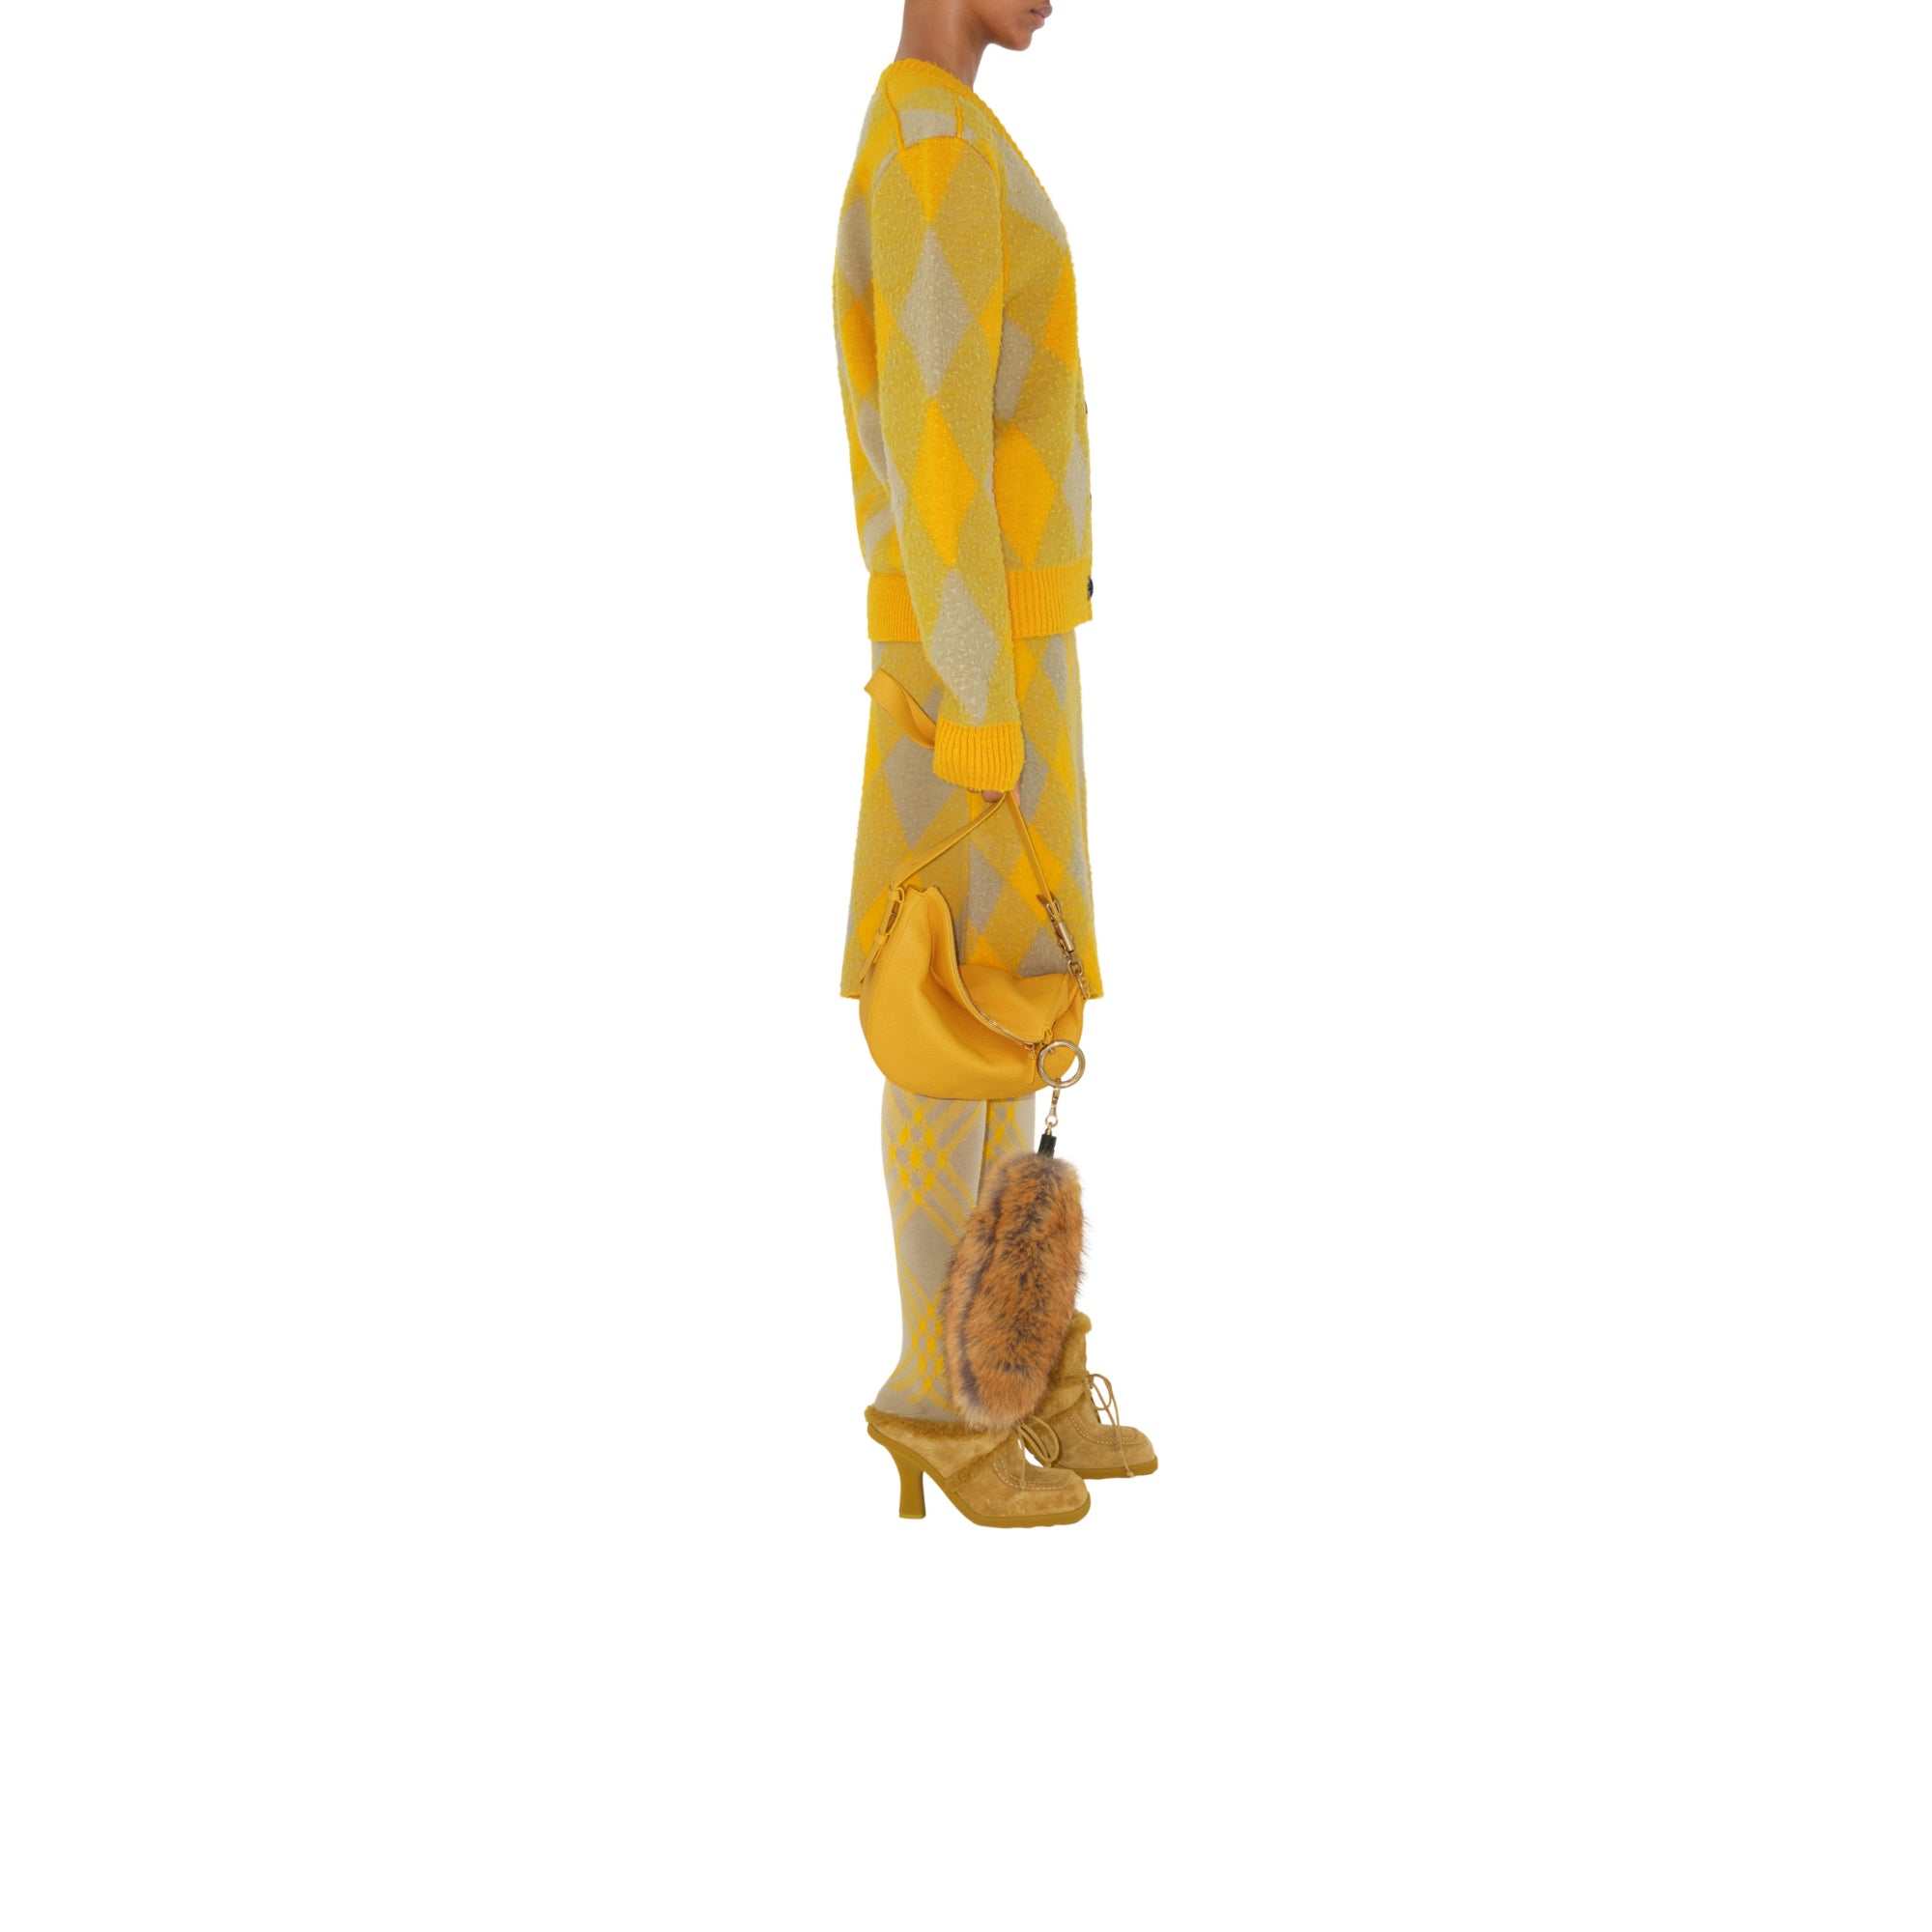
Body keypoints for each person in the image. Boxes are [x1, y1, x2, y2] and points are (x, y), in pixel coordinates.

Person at [830, 0, 1156, 1526]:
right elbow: (935, 441)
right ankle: (936, 1399)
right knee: (942, 1013)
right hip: (973, 661)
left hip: (1006, 646)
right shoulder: (930, 149)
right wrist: (975, 694)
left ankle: (1005, 1368)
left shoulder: (947, 135)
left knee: (1009, 1006)